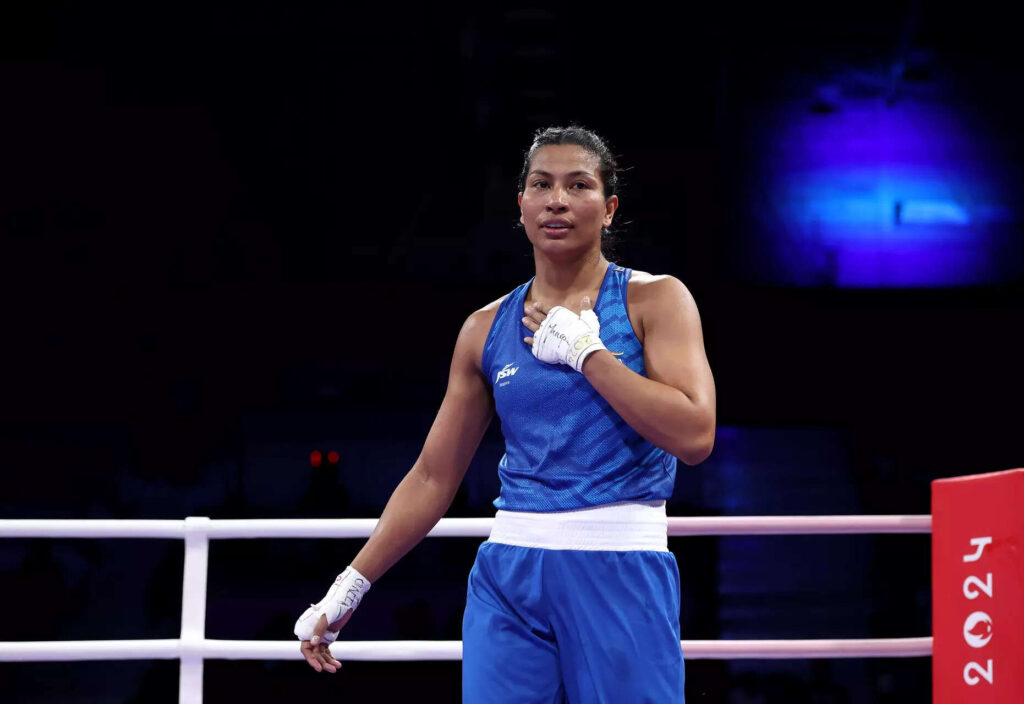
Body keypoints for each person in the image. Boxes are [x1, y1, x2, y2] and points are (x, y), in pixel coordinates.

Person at [294, 125, 716, 703]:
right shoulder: (484, 328)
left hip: (619, 561)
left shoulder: (655, 299)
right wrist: (349, 586)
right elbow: (432, 476)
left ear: (609, 208)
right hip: (510, 573)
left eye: (578, 185)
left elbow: (695, 435)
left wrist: (588, 355)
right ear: (521, 205)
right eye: (541, 184)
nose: (557, 200)